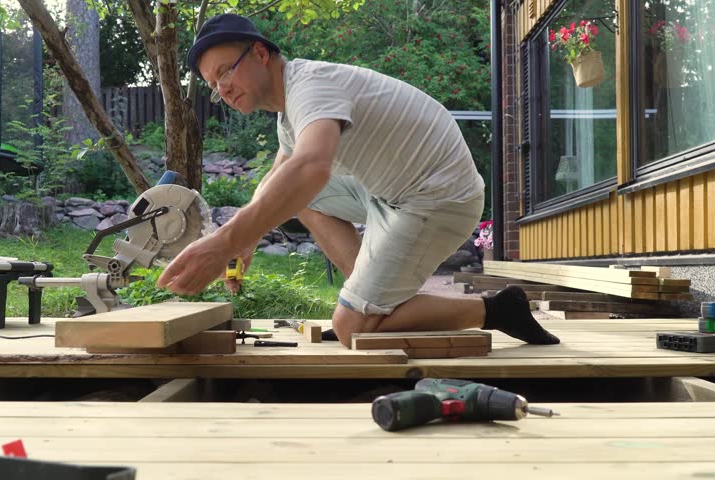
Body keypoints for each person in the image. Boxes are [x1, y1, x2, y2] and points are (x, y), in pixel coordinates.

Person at [157, 13, 559, 347]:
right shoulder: (289, 112)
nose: (222, 88)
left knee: (351, 331)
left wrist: (225, 242)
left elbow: (312, 166)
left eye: (225, 70)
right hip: (393, 191)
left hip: (438, 200)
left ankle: (498, 309)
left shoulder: (310, 87)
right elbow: (280, 176)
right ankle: (367, 295)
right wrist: (243, 237)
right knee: (297, 194)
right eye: (213, 84)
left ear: (260, 53)